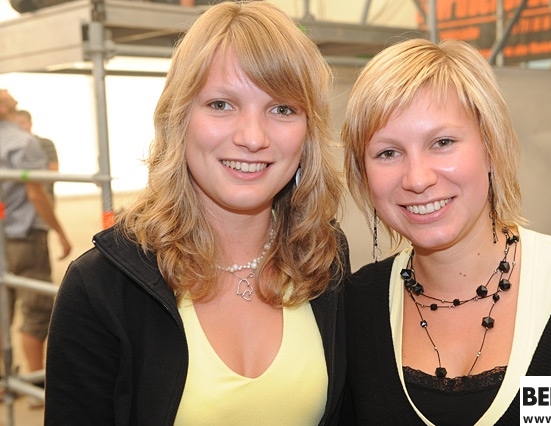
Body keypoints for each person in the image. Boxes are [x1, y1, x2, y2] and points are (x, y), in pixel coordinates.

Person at [45, 2, 349, 425]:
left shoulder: (321, 256)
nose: (252, 138)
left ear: (308, 132)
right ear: (179, 117)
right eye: (222, 104)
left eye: (282, 109)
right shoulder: (103, 286)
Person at [340, 38, 551, 425]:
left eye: (442, 142)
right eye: (388, 153)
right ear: (363, 175)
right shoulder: (354, 310)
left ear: (491, 148)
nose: (416, 178)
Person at [0, 90, 72, 403]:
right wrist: (60, 232)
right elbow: (36, 193)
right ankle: (35, 385)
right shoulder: (23, 142)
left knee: (3, 307)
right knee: (37, 308)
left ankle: (4, 381)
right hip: (24, 235)